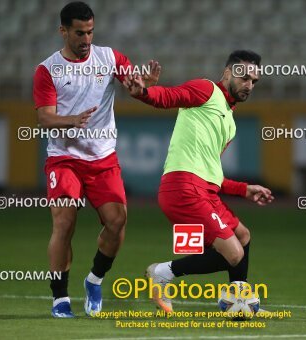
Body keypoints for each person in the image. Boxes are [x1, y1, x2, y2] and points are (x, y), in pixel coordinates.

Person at [33, 1, 160, 317]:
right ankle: (59, 297)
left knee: (117, 222)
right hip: (64, 158)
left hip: (102, 158)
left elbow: (134, 83)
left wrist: (143, 85)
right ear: (63, 31)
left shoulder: (109, 57)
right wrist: (71, 120)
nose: (86, 39)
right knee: (64, 222)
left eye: (90, 32)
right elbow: (45, 118)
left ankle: (94, 279)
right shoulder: (47, 70)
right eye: (79, 32)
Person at [123, 50, 274, 312]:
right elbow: (169, 97)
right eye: (244, 77)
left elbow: (210, 172)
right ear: (228, 72)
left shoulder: (230, 123)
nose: (249, 84)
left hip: (203, 191)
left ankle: (241, 299)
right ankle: (162, 272)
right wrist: (142, 93)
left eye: (254, 81)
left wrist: (243, 189)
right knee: (234, 253)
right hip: (183, 189)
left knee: (243, 236)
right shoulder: (205, 90)